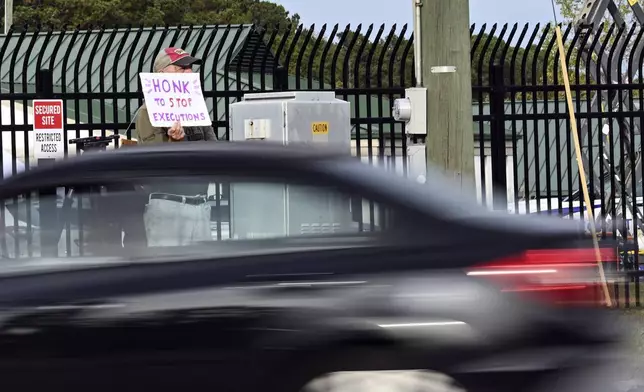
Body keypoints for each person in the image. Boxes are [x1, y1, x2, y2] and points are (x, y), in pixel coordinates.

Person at [134, 47, 217, 247]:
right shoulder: (147, 113)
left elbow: (214, 151)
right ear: (162, 73)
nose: (188, 72)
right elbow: (155, 165)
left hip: (200, 204)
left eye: (189, 67)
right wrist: (174, 142)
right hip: (169, 206)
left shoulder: (196, 109)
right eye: (181, 67)